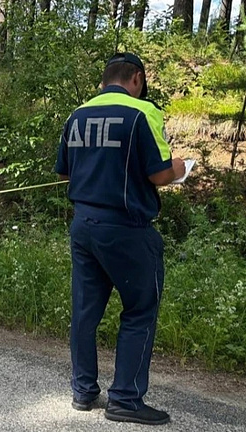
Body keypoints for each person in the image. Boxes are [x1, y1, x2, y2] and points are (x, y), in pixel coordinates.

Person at [54, 52, 187, 425]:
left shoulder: (77, 115)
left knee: (84, 311)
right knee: (141, 309)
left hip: (83, 225)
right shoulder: (142, 112)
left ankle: (83, 390)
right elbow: (161, 175)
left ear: (103, 81)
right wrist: (180, 168)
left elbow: (65, 173)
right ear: (137, 78)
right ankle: (125, 398)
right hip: (126, 228)